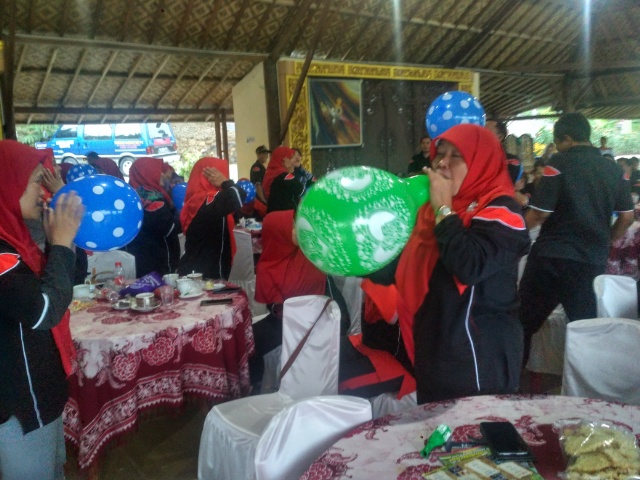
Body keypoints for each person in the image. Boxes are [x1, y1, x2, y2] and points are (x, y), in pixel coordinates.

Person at [366, 124, 530, 403]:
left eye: (456, 156)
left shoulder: (502, 210)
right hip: (435, 347)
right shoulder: (428, 214)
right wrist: (358, 254)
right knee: (440, 435)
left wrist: (444, 207)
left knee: (476, 439)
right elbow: (399, 269)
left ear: (481, 162)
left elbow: (468, 265)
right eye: (439, 153)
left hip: (478, 356)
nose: (442, 162)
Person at [519, 112, 634, 364]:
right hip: (589, 261)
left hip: (551, 258)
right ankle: (588, 392)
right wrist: (606, 241)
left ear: (567, 139)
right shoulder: (614, 170)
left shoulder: (558, 163)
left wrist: (512, 234)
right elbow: (626, 218)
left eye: (558, 142)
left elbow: (539, 214)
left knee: (521, 324)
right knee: (586, 330)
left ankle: (510, 387)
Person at [0, 140, 84, 480]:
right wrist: (61, 244)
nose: (42, 191)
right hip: (19, 407)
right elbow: (43, 310)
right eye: (36, 179)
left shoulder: (15, 240)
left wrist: (59, 243)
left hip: (40, 396)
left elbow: (66, 283)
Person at [251, 210, 349, 388]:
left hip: (318, 323)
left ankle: (260, 385)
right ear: (277, 233)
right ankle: (258, 384)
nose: (298, 230)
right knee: (247, 339)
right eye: (292, 226)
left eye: (297, 224)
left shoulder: (310, 258)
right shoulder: (268, 265)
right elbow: (273, 307)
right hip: (288, 321)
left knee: (251, 341)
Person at [178, 157, 245, 279]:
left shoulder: (197, 200)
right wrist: (226, 182)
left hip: (197, 269)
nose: (224, 176)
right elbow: (239, 195)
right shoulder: (208, 200)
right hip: (203, 276)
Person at [125, 157, 180, 278]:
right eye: (158, 171)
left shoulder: (131, 196)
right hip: (156, 261)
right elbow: (170, 227)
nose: (163, 175)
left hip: (138, 258)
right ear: (148, 172)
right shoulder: (152, 199)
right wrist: (183, 213)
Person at [262, 146, 305, 213]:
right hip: (284, 216)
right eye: (291, 158)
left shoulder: (270, 173)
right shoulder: (283, 176)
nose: (293, 161)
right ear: (284, 160)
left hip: (273, 214)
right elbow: (300, 190)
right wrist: (291, 172)